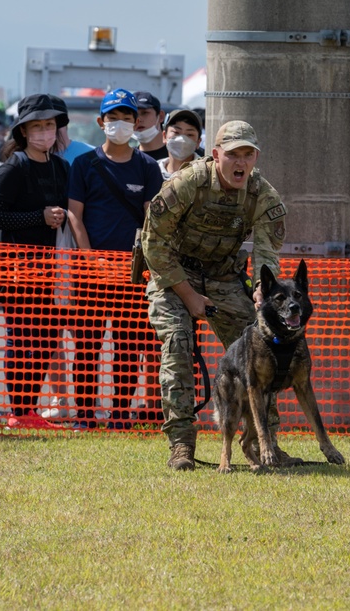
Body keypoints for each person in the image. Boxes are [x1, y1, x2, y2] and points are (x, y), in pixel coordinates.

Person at [143, 120, 288, 471]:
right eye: (233, 154)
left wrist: (261, 294)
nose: (241, 162)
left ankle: (262, 445)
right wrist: (189, 296)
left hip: (224, 277)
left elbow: (267, 254)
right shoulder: (187, 183)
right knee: (177, 342)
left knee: (259, 349)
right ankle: (182, 445)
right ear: (216, 154)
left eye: (248, 154)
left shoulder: (261, 194)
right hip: (174, 274)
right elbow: (153, 244)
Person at [68, 88, 163, 428]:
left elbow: (152, 217)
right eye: (113, 118)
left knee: (127, 346)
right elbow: (74, 216)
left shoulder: (148, 167)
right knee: (87, 346)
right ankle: (84, 414)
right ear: (100, 122)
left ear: (136, 123)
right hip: (91, 272)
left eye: (126, 117)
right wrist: (90, 259)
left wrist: (144, 263)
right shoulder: (83, 164)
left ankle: (121, 414)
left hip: (132, 274)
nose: (120, 124)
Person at [0, 94, 71, 428]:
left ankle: (30, 410)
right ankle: (17, 411)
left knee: (47, 339)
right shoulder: (12, 167)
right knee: (22, 341)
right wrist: (40, 216)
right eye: (37, 126)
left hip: (54, 270)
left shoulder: (62, 167)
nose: (44, 132)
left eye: (49, 125)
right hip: (17, 271)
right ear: (22, 131)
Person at [157, 108, 203, 179]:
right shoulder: (152, 171)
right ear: (164, 136)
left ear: (198, 142)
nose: (182, 139)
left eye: (189, 134)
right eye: (176, 132)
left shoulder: (206, 173)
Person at [133, 90, 167, 161]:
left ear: (160, 116)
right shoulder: (127, 159)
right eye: (134, 115)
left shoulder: (177, 156)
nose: (138, 119)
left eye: (144, 113)